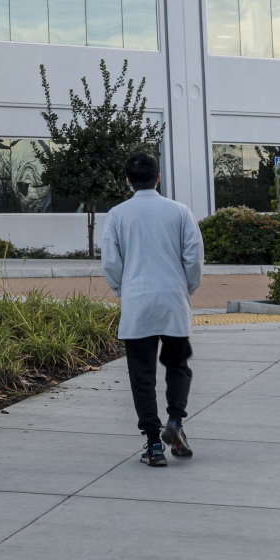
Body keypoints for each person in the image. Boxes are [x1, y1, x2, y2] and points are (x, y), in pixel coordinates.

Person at [100, 152, 203, 467]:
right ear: (158, 178)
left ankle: (152, 444)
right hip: (173, 301)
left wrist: (121, 289)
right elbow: (193, 257)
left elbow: (111, 262)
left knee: (142, 375)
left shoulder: (117, 215)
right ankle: (176, 422)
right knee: (178, 366)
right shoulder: (180, 212)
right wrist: (186, 288)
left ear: (128, 181)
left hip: (137, 303)